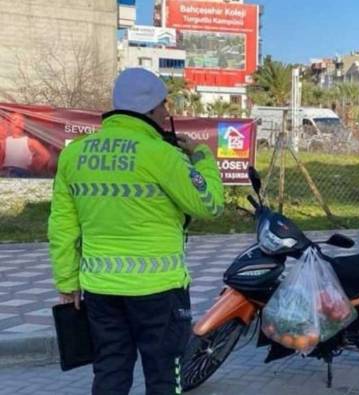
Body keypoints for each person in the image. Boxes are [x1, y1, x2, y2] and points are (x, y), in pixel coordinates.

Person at [48, 68, 225, 395]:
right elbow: (210, 204)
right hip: (159, 290)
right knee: (163, 378)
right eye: (164, 106)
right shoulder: (162, 155)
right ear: (152, 110)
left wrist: (66, 281)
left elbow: (62, 224)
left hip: (100, 290)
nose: (167, 113)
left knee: (110, 373)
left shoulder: (75, 154)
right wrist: (202, 158)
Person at [1, 112, 51, 177]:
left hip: (20, 172)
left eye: (21, 121)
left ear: (25, 125)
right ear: (10, 123)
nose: (18, 123)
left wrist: (33, 167)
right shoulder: (5, 141)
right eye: (15, 120)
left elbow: (46, 155)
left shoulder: (30, 141)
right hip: (6, 172)